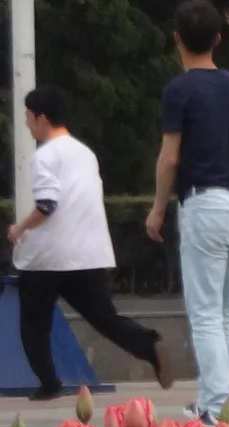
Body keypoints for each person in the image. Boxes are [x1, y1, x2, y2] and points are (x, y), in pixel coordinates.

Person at [7, 87, 175, 399]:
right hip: (89, 254)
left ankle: (49, 383)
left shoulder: (44, 156)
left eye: (29, 118)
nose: (27, 124)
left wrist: (19, 228)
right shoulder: (85, 153)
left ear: (42, 118)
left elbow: (46, 204)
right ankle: (150, 345)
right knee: (104, 318)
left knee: (34, 323)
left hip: (46, 257)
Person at [148, 0, 229, 423]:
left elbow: (169, 158)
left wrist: (158, 208)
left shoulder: (178, 90)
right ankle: (218, 400)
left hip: (205, 204)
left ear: (176, 37)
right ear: (218, 40)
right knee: (225, 312)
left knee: (205, 316)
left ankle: (215, 406)